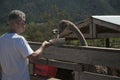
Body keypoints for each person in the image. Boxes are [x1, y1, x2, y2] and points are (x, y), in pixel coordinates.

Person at [0, 10, 51, 80]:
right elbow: (33, 57)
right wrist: (43, 46)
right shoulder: (19, 39)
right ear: (16, 23)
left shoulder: (1, 39)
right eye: (24, 22)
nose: (25, 25)